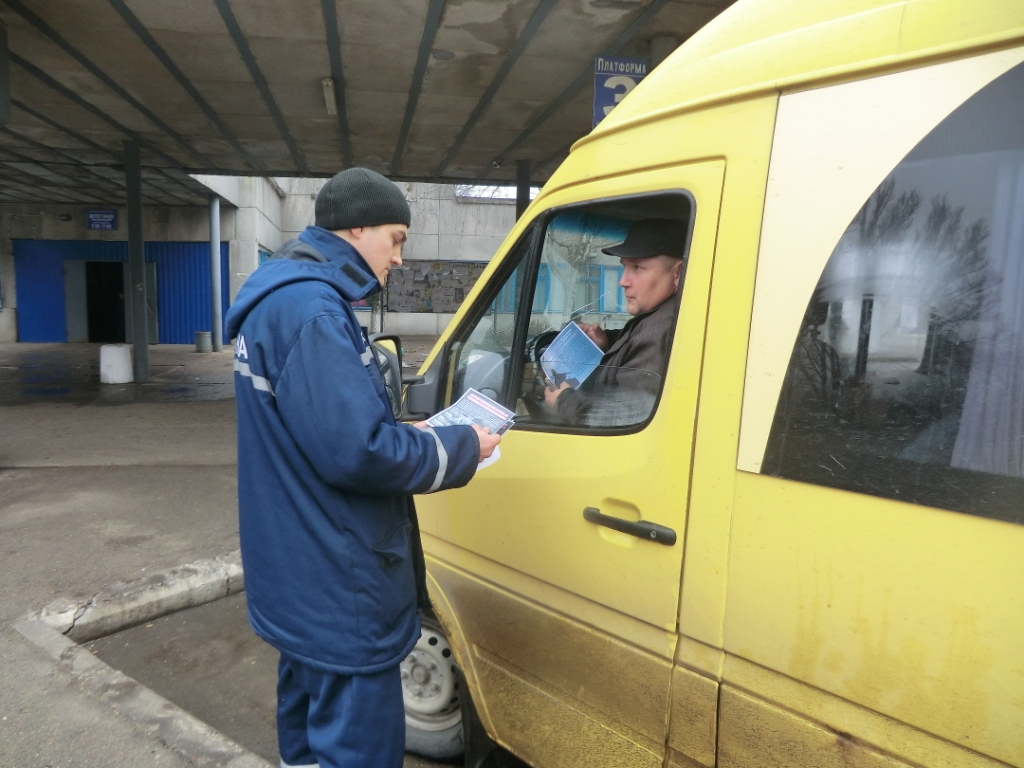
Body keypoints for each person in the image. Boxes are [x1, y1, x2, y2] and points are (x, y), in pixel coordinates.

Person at [225, 168, 500, 768]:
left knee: (306, 740)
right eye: (395, 239)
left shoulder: (281, 299)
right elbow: (359, 454)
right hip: (338, 586)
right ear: (356, 229)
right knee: (357, 750)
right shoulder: (315, 312)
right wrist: (461, 447)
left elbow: (319, 434)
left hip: (297, 576)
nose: (399, 258)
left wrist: (405, 434)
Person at [544, 218, 686, 426]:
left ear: (678, 273)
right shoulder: (663, 317)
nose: (622, 281)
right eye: (624, 267)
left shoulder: (660, 331)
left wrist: (564, 403)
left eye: (637, 267)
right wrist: (608, 343)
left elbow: (630, 417)